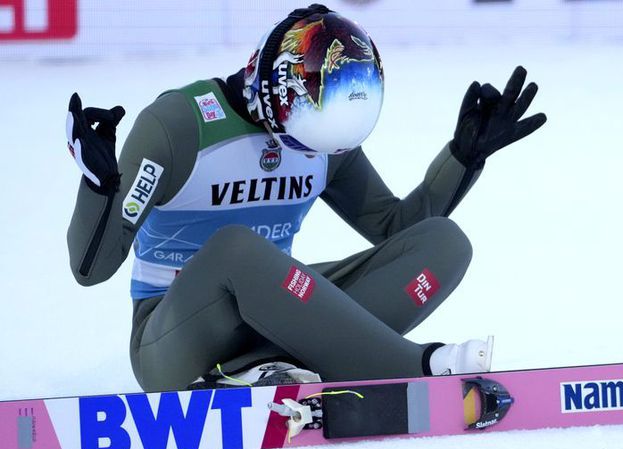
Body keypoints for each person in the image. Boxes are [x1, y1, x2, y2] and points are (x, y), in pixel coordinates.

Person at [65, 4, 546, 393]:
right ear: (275, 91)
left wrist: (462, 158)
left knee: (445, 244)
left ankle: (264, 370)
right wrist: (98, 190)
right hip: (170, 339)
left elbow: (396, 230)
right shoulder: (178, 127)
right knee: (238, 249)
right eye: (313, 119)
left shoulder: (322, 139)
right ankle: (418, 367)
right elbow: (92, 271)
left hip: (280, 318)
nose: (317, 141)